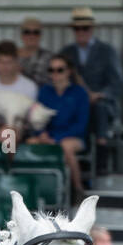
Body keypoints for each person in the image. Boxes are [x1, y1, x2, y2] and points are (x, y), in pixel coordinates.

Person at [58, 7, 123, 146]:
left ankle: (101, 155)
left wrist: (99, 95)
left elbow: (117, 83)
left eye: (85, 28)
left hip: (100, 105)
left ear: (92, 29)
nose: (81, 32)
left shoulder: (107, 51)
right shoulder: (66, 52)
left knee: (99, 110)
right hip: (74, 102)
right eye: (77, 29)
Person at [30, 54, 90, 199]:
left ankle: (77, 190)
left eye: (60, 70)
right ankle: (37, 191)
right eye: (51, 70)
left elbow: (81, 125)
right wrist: (41, 133)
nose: (55, 74)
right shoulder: (44, 92)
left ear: (68, 71)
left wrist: (56, 139)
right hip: (48, 137)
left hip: (74, 138)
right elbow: (37, 118)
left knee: (65, 146)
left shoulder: (80, 93)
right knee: (27, 144)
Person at [0, 40, 39, 141]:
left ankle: (5, 157)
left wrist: (0, 126)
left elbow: (30, 121)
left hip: (20, 133)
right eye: (1, 62)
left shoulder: (29, 87)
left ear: (16, 62)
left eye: (9, 62)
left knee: (6, 134)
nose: (5, 66)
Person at [17, 17, 53, 86]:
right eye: (27, 32)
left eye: (36, 32)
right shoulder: (11, 56)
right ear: (21, 35)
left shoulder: (49, 57)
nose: (31, 36)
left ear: (40, 35)